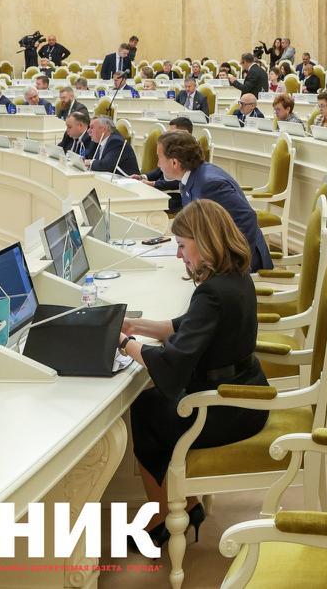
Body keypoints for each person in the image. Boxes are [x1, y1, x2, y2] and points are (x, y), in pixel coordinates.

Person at [120, 198, 270, 546]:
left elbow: (171, 365)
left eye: (182, 246)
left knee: (145, 410)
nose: (178, 255)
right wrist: (136, 325)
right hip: (246, 392)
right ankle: (185, 503)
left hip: (229, 407)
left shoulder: (212, 292)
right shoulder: (233, 277)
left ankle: (162, 515)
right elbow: (185, 326)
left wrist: (123, 342)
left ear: (204, 242)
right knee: (151, 404)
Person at [158, 131, 272, 271]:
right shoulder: (194, 176)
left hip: (241, 266)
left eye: (159, 158)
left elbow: (247, 219)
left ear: (174, 162)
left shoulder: (209, 185)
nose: (158, 164)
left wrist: (229, 265)